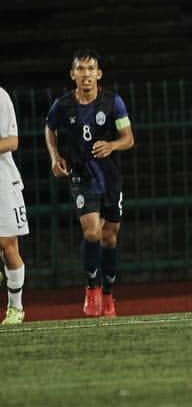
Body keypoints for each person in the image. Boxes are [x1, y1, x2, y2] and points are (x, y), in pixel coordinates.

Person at [45, 50, 135, 317]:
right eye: (80, 69)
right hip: (81, 174)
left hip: (109, 176)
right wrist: (55, 157)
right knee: (92, 232)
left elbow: (128, 138)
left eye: (91, 69)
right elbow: (49, 128)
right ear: (73, 74)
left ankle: (108, 294)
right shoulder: (62, 105)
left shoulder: (113, 103)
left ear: (99, 74)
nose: (86, 74)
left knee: (110, 237)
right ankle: (92, 288)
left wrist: (112, 145)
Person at [0, 86, 28, 324]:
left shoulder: (0, 97)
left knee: (8, 245)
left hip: (2, 181)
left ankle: (15, 308)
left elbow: (12, 141)